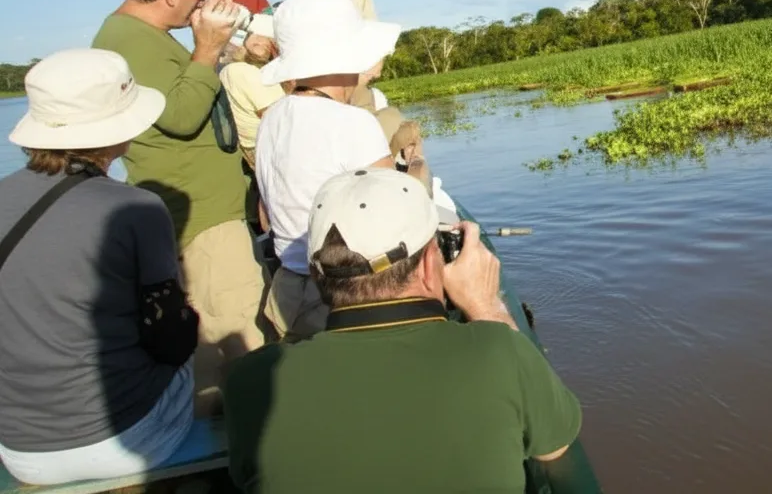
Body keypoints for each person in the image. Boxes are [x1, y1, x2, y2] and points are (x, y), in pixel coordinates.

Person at [223, 168, 581, 493]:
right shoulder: (499, 350)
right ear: (428, 264)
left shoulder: (253, 381)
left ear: (317, 277)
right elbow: (555, 444)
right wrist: (486, 307)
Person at [0, 50, 199, 485]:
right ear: (117, 130)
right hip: (128, 441)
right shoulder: (138, 207)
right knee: (195, 356)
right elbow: (171, 336)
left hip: (19, 449)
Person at [92, 0, 267, 411]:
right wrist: (207, 48)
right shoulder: (128, 40)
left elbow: (182, 89)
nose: (206, 0)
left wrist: (222, 48)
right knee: (237, 338)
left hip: (203, 212)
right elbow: (182, 115)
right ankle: (247, 437)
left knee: (213, 340)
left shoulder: (142, 37)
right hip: (203, 221)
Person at [253, 0, 425, 340]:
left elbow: (265, 213)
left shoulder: (272, 117)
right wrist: (417, 167)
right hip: (341, 296)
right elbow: (396, 212)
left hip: (287, 288)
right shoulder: (352, 121)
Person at [218, 19, 284, 169]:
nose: (260, 41)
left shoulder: (237, 70)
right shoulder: (243, 71)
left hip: (263, 145)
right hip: (270, 145)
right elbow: (278, 116)